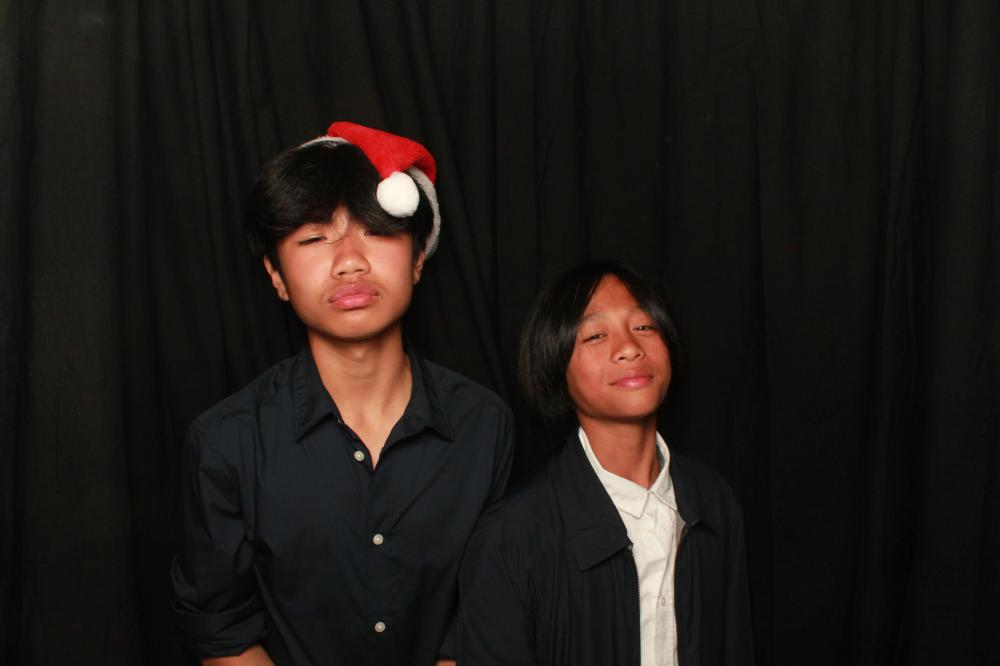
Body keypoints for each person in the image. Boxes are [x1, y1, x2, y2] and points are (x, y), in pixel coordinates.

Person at [171, 122, 513, 666]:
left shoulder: (483, 424)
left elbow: (488, 611)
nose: (349, 260)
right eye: (314, 238)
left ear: (418, 257)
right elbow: (222, 630)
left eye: (376, 231)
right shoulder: (227, 440)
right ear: (276, 275)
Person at [458, 261, 753, 666]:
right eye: (596, 335)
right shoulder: (511, 536)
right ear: (556, 365)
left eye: (644, 327)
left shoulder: (713, 501)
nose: (629, 347)